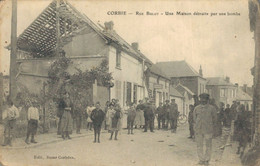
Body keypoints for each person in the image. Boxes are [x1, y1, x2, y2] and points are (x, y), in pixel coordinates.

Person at [193, 93, 217, 166]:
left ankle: (206, 160)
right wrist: (196, 128)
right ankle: (201, 159)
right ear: (200, 99)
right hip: (199, 130)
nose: (203, 100)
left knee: (208, 145)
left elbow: (215, 119)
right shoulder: (196, 108)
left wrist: (212, 128)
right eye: (201, 99)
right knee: (199, 145)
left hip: (208, 130)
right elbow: (194, 119)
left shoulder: (212, 108)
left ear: (207, 100)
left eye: (205, 99)